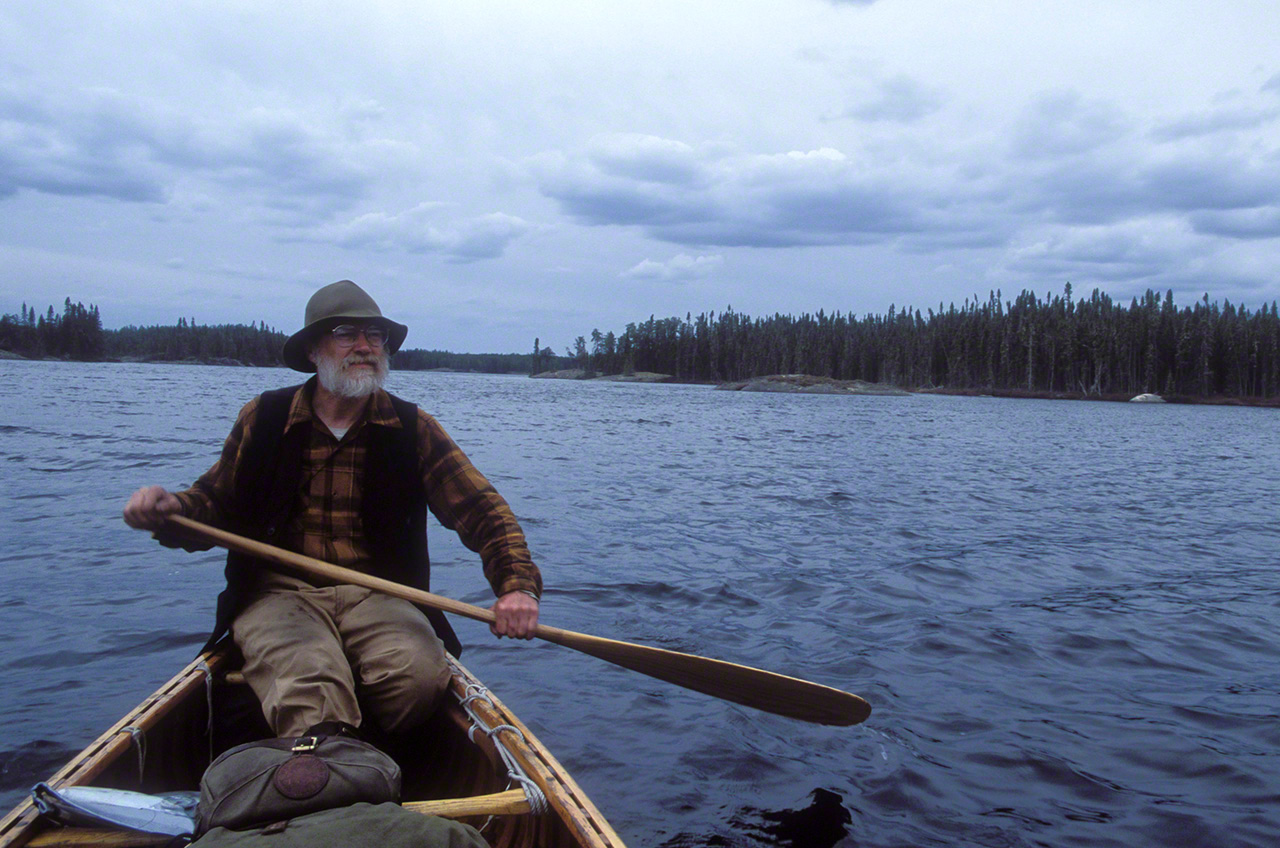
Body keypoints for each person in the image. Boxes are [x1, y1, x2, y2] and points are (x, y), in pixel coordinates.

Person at [123, 280, 541, 740]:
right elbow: (212, 504)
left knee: (419, 681)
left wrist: (517, 588)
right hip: (278, 594)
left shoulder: (412, 428)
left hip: (380, 594)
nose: (364, 347)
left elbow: (484, 512)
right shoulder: (263, 418)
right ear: (312, 350)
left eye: (375, 336)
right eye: (346, 333)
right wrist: (171, 509)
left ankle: (353, 759)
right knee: (311, 687)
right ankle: (326, 769)